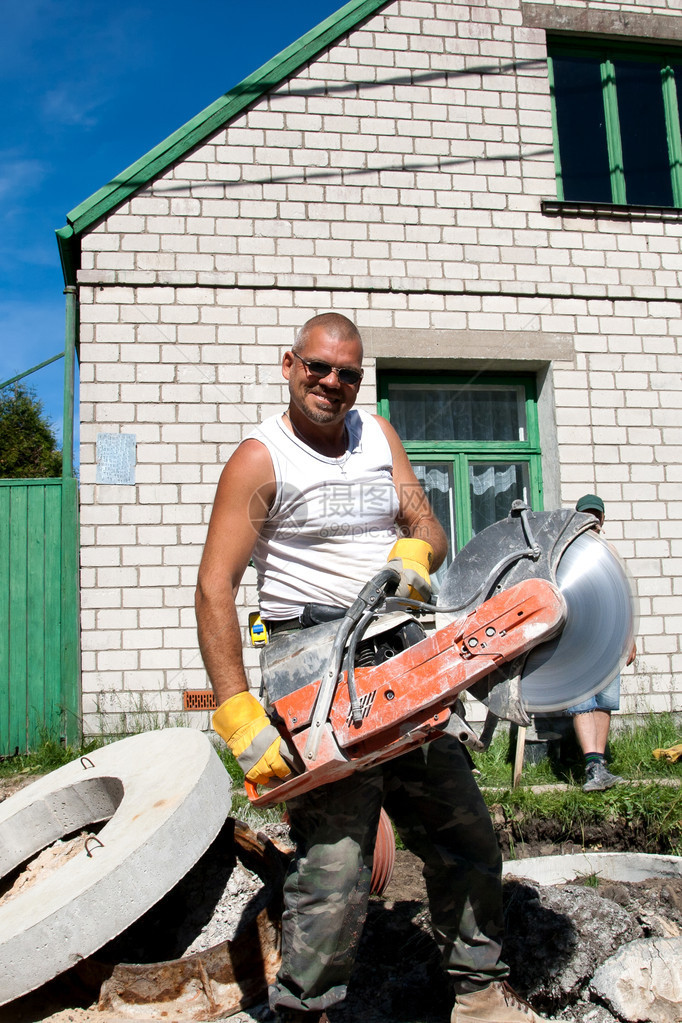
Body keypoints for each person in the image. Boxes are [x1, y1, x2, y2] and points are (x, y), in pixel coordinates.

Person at [196, 313, 547, 1023]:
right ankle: (305, 1011)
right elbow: (213, 586)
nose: (332, 382)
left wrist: (414, 556)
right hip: (310, 658)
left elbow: (427, 524)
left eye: (348, 373)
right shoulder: (261, 460)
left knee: (463, 831)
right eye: (318, 368)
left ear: (362, 378)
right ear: (289, 364)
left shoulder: (378, 436)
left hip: (398, 647)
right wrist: (236, 713)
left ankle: (478, 994)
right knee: (334, 861)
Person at [567, 494, 635, 792]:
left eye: (596, 516)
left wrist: (630, 637)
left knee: (604, 702)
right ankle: (592, 765)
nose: (591, 521)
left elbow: (624, 598)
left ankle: (600, 765)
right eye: (585, 516)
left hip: (609, 639)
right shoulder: (566, 552)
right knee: (583, 702)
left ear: (602, 520)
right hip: (578, 641)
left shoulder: (611, 553)